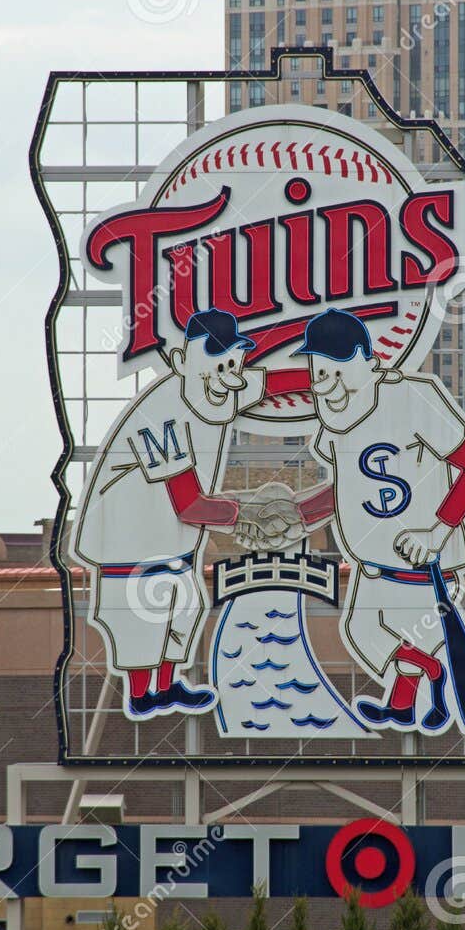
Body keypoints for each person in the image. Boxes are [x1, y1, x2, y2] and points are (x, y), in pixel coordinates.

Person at [72, 308, 309, 718]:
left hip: (169, 544)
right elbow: (189, 504)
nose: (230, 371)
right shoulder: (160, 412)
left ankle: (164, 688)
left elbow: (273, 382)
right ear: (182, 362)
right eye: (218, 361)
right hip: (126, 545)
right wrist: (252, 511)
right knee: (144, 623)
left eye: (234, 361)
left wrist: (337, 378)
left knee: (186, 609)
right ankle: (143, 694)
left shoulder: (220, 384)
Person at [287, 307, 465, 733]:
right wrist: (297, 516)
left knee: (393, 635)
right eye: (319, 374)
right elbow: (349, 491)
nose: (328, 386)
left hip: (421, 567)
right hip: (372, 565)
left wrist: (436, 532)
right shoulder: (336, 421)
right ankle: (410, 700)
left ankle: (424, 685)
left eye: (337, 371)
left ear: (369, 362)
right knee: (365, 633)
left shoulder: (413, 397)